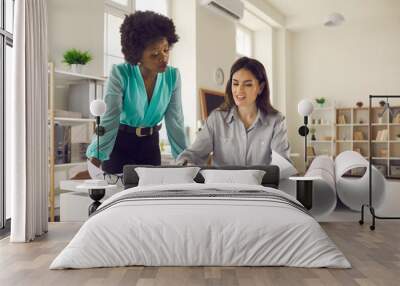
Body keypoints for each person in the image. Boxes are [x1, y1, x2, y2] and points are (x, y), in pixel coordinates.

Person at [76, 11, 187, 178]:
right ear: (137, 55)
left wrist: (184, 159)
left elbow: (175, 121)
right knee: (117, 198)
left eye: (166, 50)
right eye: (154, 54)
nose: (163, 57)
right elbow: (110, 117)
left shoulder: (173, 76)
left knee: (149, 200)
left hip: (150, 145)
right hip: (120, 144)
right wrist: (96, 157)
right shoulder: (120, 73)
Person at [176, 57, 290, 166]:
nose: (239, 90)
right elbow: (193, 154)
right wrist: (185, 162)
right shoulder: (217, 119)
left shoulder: (276, 121)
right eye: (235, 84)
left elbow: (282, 165)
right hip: (223, 186)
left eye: (248, 85)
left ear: (260, 88)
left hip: (260, 185)